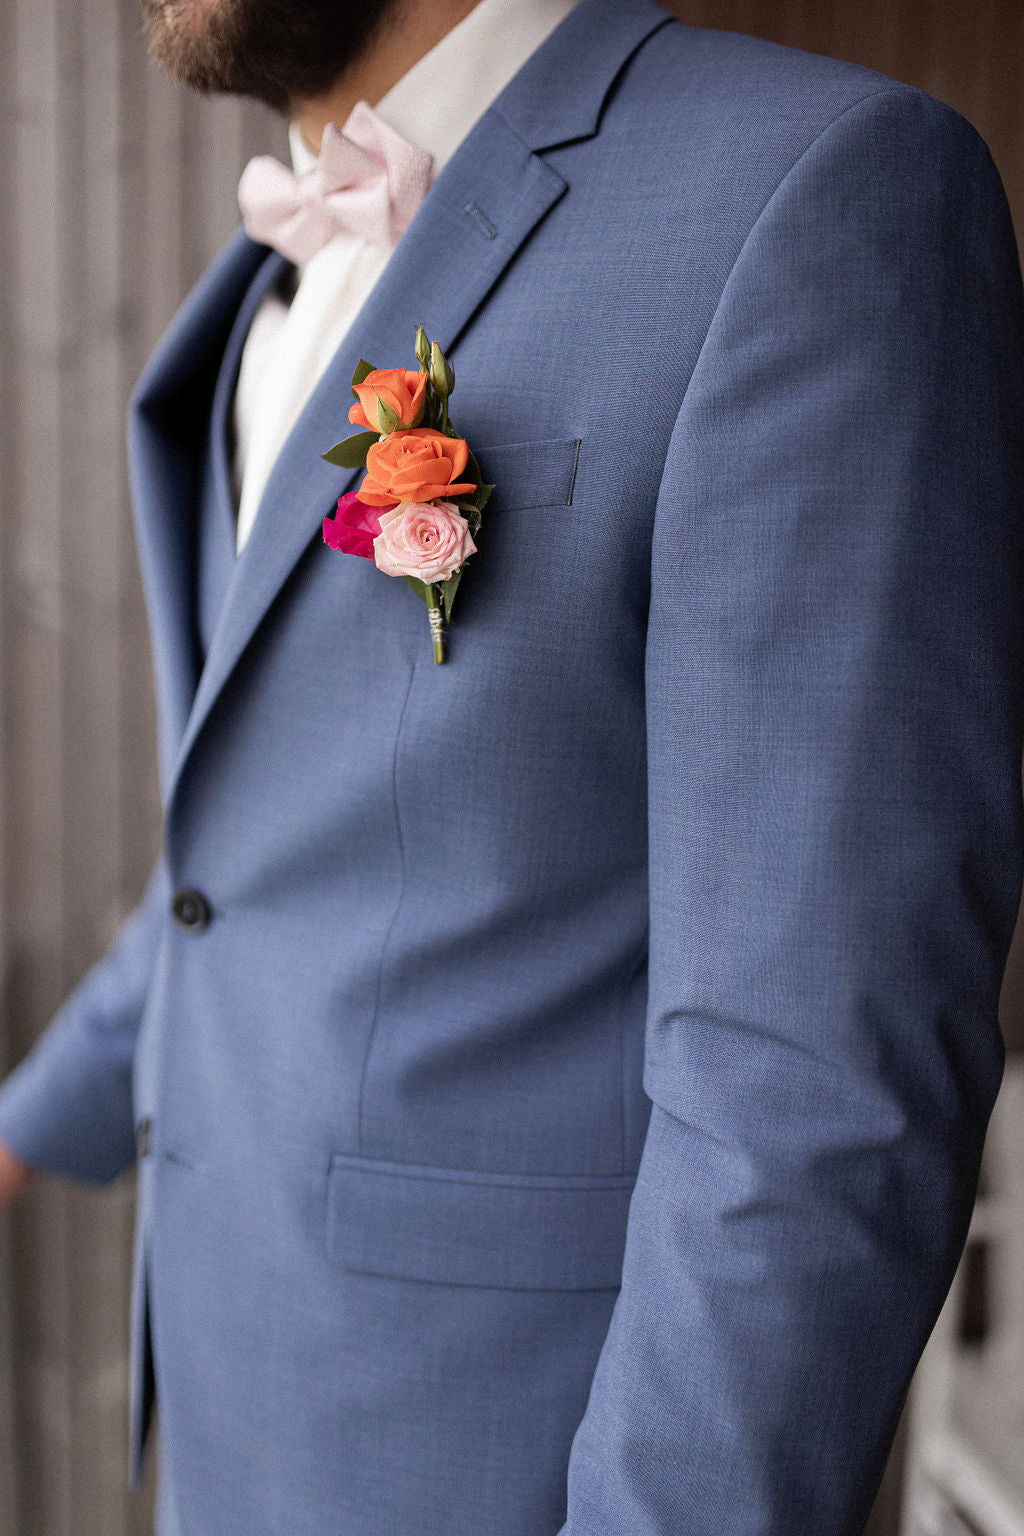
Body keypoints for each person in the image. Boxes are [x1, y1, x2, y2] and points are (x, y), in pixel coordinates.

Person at [2, 0, 1023, 1530]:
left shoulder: (816, 192)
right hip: (233, 1424)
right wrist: (23, 1127)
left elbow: (813, 1069)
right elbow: (253, 861)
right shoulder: (262, 289)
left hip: (506, 1463)